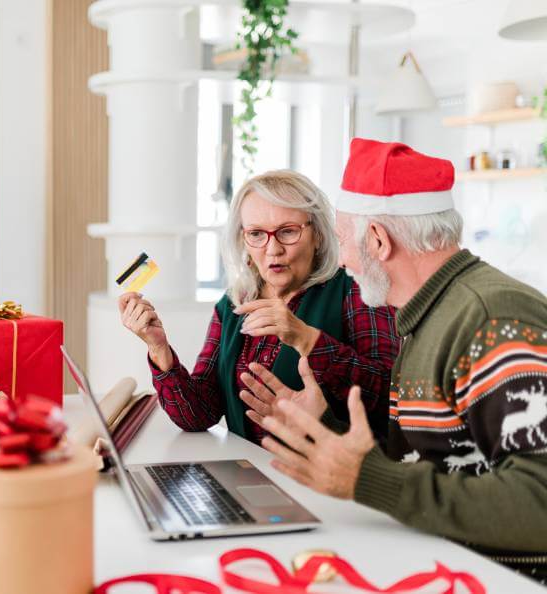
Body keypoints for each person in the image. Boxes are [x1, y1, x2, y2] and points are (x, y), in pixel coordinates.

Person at [245, 138, 547, 582]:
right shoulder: (426, 315)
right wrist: (328, 426)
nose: (343, 259)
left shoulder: (490, 317)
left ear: (378, 240)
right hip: (444, 565)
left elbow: (539, 504)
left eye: (344, 240)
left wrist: (367, 479)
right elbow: (422, 464)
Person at [118, 169, 400, 445]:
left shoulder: (356, 290)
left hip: (331, 476)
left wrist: (306, 339)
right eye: (256, 234)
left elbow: (391, 398)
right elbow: (198, 415)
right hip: (251, 473)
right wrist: (159, 350)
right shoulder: (233, 304)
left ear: (319, 236)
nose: (273, 249)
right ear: (244, 240)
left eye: (288, 232)